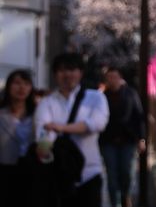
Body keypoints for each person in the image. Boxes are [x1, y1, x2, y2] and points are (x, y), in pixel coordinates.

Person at [34, 52, 109, 207]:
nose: (67, 74)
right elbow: (43, 135)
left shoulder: (96, 97)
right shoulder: (47, 102)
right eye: (61, 70)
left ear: (80, 73)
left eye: (72, 69)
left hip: (90, 173)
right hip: (58, 175)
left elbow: (97, 124)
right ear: (55, 74)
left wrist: (59, 127)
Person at [99, 66, 145, 207]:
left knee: (127, 172)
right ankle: (115, 203)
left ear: (120, 78)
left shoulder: (131, 93)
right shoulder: (101, 96)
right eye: (109, 78)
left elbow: (138, 116)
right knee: (111, 176)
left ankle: (126, 196)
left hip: (128, 140)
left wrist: (141, 138)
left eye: (114, 77)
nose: (112, 80)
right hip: (108, 141)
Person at [0, 69, 36, 207]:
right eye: (17, 83)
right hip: (4, 170)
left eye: (26, 84)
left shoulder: (38, 114)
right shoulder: (2, 114)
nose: (22, 88)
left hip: (30, 171)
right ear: (8, 86)